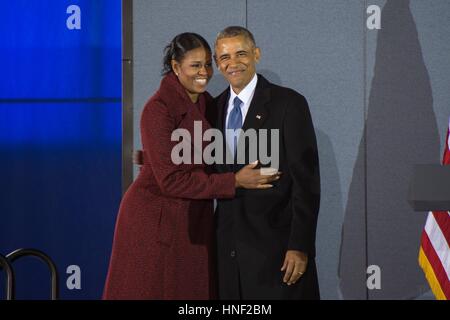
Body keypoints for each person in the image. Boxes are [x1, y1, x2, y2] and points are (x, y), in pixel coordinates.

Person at [103, 32, 279, 300]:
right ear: (176, 67)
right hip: (155, 220)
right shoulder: (158, 109)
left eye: (208, 64)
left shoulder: (208, 102)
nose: (204, 72)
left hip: (192, 216)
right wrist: (234, 181)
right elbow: (171, 180)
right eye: (195, 65)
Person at [208, 26, 321, 299]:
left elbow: (306, 183)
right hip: (227, 255)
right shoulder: (211, 109)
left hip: (277, 253)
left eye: (241, 54)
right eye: (224, 57)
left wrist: (300, 246)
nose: (233, 63)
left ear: (256, 54)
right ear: (217, 63)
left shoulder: (288, 104)